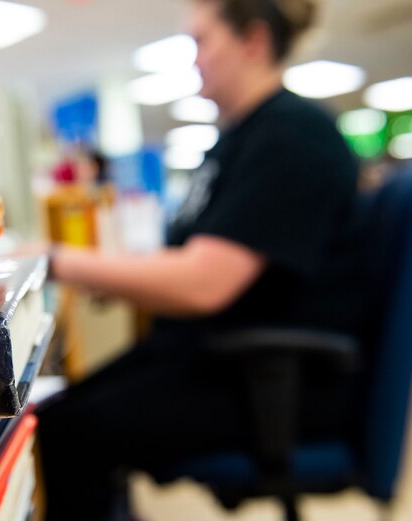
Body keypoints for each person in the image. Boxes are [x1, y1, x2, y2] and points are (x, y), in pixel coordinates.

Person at [35, 0, 367, 520]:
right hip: (221, 356)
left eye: (202, 41)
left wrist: (58, 261)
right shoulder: (240, 139)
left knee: (64, 435)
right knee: (54, 416)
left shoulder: (291, 136)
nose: (194, 59)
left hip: (272, 379)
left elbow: (205, 283)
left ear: (253, 42)